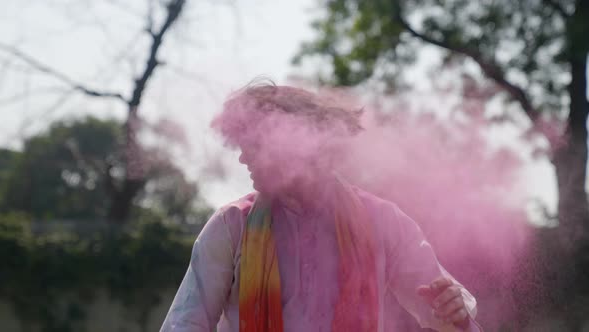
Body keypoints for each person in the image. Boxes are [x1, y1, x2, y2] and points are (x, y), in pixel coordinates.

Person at [160, 82, 483, 332]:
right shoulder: (231, 225)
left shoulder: (383, 221)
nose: (243, 158)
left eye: (253, 146)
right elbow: (185, 324)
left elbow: (444, 308)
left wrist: (454, 309)